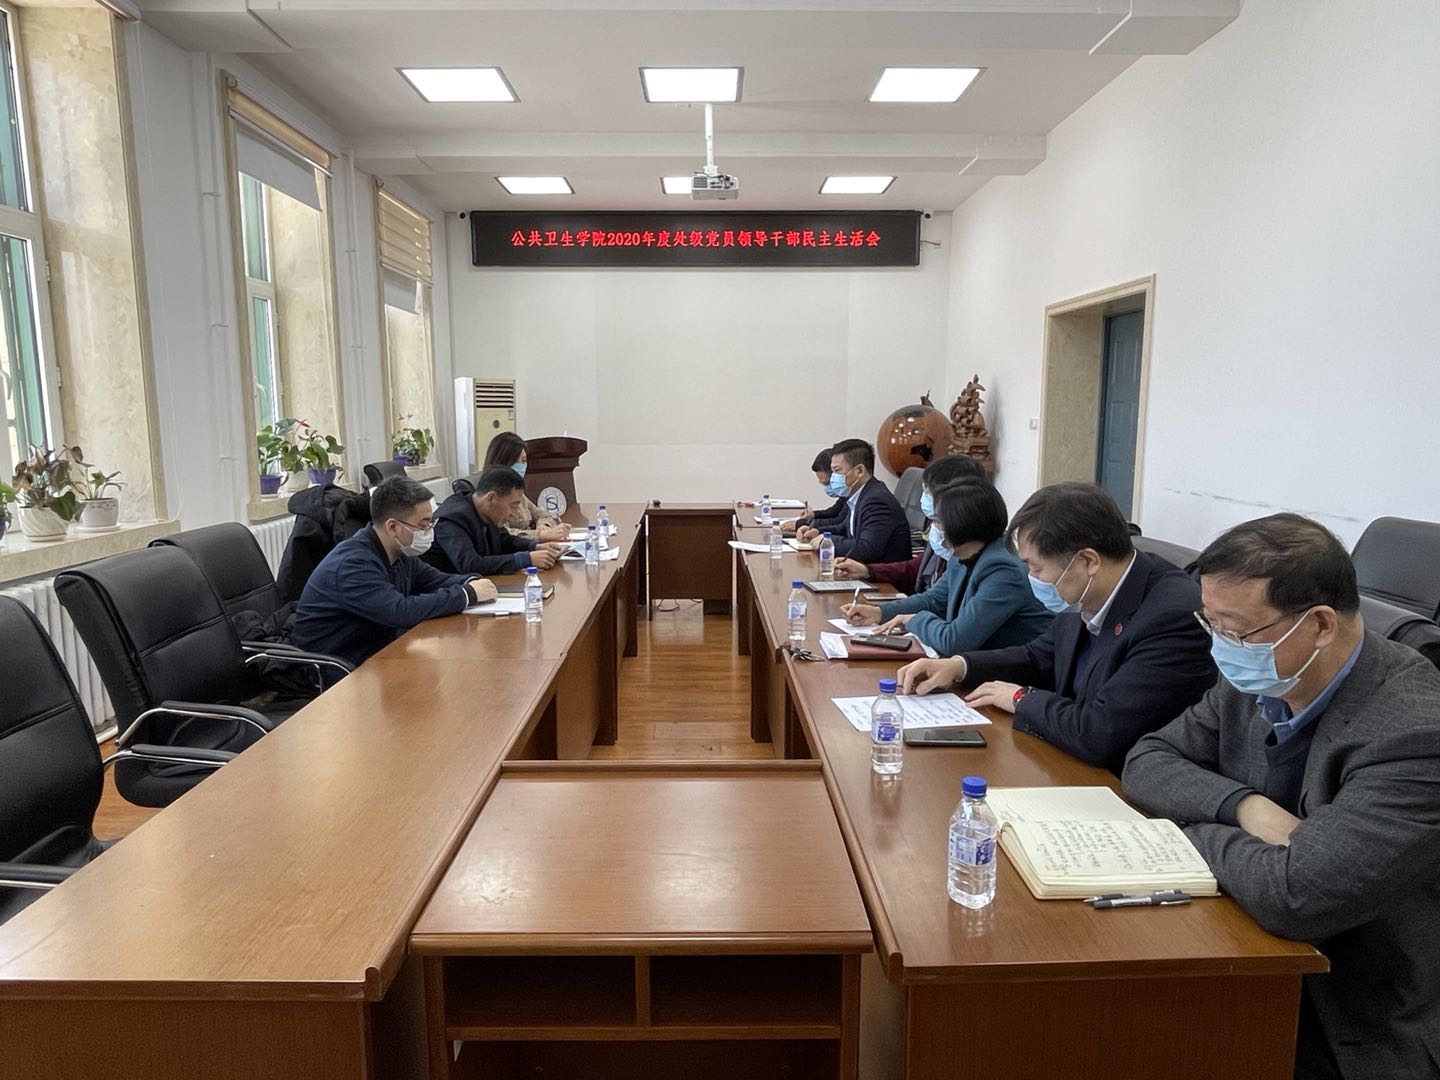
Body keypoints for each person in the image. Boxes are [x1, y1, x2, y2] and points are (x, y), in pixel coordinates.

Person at [1122, 514, 1440, 1080]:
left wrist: (1181, 833)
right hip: (1251, 949)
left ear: (1319, 624)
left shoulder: (1414, 730)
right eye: (1211, 624)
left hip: (1356, 1016)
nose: (1222, 648)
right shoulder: (1260, 678)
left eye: (1236, 631)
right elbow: (1147, 759)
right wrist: (1243, 807)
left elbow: (1296, 894)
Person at [897, 481, 1214, 772]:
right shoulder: (1089, 590)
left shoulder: (1171, 618)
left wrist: (1021, 698)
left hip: (1118, 785)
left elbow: (1099, 732)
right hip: (1065, 761)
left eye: (1036, 568)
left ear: (1088, 561)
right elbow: (1037, 658)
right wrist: (959, 666)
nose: (1032, 579)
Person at [291, 475, 498, 667]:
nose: (430, 531)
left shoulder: (399, 552)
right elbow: (401, 611)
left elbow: (435, 580)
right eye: (424, 524)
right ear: (392, 527)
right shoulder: (352, 564)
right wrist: (467, 594)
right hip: (333, 668)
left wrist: (471, 581)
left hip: (375, 653)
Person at [842, 479, 1052, 656]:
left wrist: (914, 620)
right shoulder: (963, 556)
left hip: (1014, 677)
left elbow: (955, 641)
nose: (935, 528)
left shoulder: (1003, 571)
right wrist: (879, 612)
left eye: (938, 521)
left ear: (961, 523)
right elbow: (933, 600)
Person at [834, 452, 986, 591]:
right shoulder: (940, 531)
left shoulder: (975, 555)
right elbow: (915, 568)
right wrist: (867, 571)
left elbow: (940, 603)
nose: (923, 498)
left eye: (928, 492)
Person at [425, 466, 567, 576]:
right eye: (513, 506)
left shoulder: (484, 511)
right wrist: (525, 559)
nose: (514, 513)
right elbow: (471, 565)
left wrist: (534, 546)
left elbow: (505, 539)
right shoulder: (452, 519)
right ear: (491, 498)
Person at [795, 439, 911, 564]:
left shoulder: (877, 501)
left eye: (837, 470)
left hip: (881, 574)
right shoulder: (861, 493)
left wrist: (828, 541)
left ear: (859, 471)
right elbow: (845, 528)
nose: (833, 477)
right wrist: (819, 532)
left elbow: (866, 549)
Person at [482, 431, 569, 543]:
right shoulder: (493, 494)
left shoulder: (515, 490)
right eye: (515, 461)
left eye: (524, 461)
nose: (521, 466)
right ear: (501, 462)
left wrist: (543, 526)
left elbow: (542, 515)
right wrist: (540, 535)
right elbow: (504, 534)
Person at [783, 447, 844, 536]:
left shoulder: (859, 497)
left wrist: (803, 524)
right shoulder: (846, 496)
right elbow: (834, 511)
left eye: (827, 483)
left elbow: (839, 521)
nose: (824, 485)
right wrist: (814, 515)